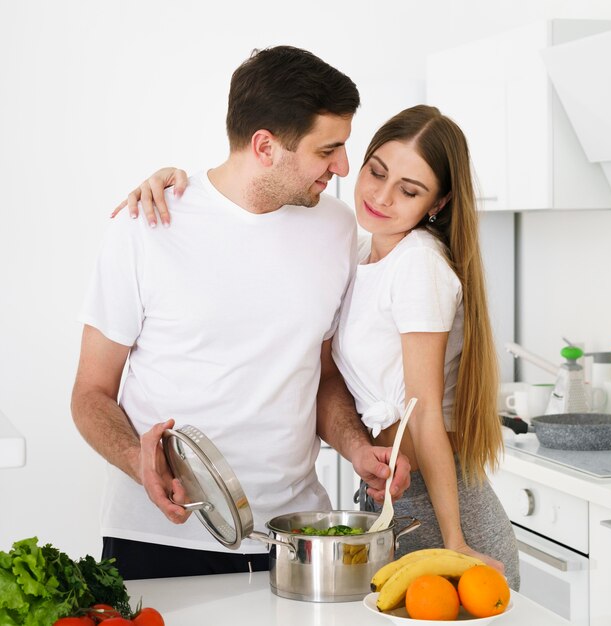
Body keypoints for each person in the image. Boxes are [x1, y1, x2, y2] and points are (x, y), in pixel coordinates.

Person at [124, 105, 521, 590]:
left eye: (410, 190)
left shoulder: (418, 264)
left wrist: (456, 540)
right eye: (377, 172)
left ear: (438, 203)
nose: (381, 195)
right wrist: (182, 186)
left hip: (441, 506)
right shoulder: (356, 250)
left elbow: (424, 415)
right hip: (389, 499)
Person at [72, 45, 411, 581]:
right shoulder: (145, 225)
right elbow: (90, 392)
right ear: (266, 146)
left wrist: (355, 447)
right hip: (160, 533)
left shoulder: (337, 228)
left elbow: (320, 372)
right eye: (330, 149)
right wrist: (138, 462)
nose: (344, 167)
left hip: (293, 538)